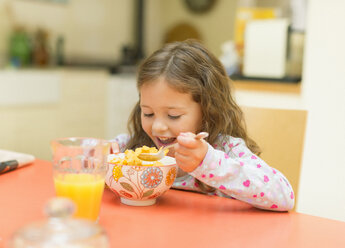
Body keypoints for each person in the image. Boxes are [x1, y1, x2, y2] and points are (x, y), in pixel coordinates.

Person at [112, 40, 294, 211]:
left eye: (173, 116)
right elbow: (87, 159)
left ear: (208, 110)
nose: (158, 127)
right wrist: (102, 160)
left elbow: (285, 197)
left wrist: (208, 162)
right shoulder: (133, 149)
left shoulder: (225, 149)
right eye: (148, 113)